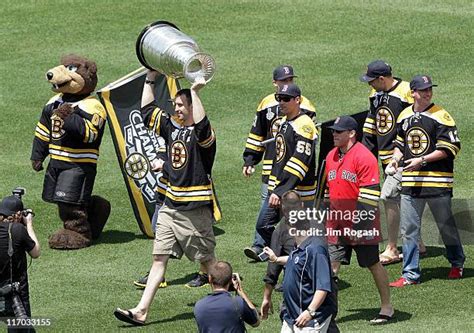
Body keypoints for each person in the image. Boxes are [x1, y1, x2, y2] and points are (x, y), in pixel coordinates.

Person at [114, 71, 221, 325]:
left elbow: (203, 126)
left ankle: (231, 299)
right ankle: (141, 311)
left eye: (181, 105)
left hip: (195, 210)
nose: (177, 109)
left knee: (209, 264)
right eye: (175, 105)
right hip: (170, 209)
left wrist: (195, 92)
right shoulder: (171, 127)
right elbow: (147, 111)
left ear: (193, 107)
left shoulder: (203, 135)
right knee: (158, 259)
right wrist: (150, 78)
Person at [388, 75, 465, 287]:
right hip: (411, 182)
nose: (428, 93)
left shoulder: (441, 116)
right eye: (423, 90)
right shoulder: (403, 116)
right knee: (409, 228)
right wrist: (395, 159)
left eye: (429, 89)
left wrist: (421, 160)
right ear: (413, 92)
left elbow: (450, 148)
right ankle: (410, 273)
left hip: (437, 182)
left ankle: (457, 262)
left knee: (445, 226)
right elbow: (399, 143)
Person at [324, 116, 394, 324]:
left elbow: (369, 197)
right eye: (333, 131)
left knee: (372, 264)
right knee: (331, 267)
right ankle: (329, 313)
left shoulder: (364, 157)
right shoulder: (330, 156)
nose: (334, 134)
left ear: (352, 133)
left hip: (362, 224)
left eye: (339, 131)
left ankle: (387, 307)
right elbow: (330, 190)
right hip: (337, 223)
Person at [243, 65, 316, 261]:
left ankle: (293, 262)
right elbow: (258, 135)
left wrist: (280, 190)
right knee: (266, 224)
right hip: (277, 181)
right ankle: (284, 256)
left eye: (286, 98)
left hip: (295, 188)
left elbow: (299, 162)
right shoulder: (283, 120)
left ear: (297, 100)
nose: (281, 102)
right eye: (280, 98)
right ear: (275, 84)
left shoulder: (304, 122)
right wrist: (250, 158)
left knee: (296, 229)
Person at [360, 59, 425, 264]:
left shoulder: (406, 92)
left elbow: (417, 125)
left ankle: (392, 248)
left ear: (381, 78)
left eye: (372, 81)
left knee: (390, 198)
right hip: (387, 159)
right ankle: (418, 242)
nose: (369, 84)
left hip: (404, 159)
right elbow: (372, 122)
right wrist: (365, 152)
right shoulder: (375, 93)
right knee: (404, 199)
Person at [262, 191, 338, 333]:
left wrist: (310, 310)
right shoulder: (314, 226)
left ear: (282, 209)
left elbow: (319, 273)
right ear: (302, 205)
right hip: (301, 303)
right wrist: (277, 259)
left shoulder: (311, 244)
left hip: (312, 302)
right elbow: (298, 259)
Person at [0, 193, 40, 332]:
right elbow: (35, 253)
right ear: (18, 214)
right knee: (21, 326)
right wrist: (28, 224)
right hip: (16, 288)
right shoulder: (17, 229)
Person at [194, 261, 260, 332]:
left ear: (210, 279)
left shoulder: (199, 306)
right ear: (230, 280)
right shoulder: (238, 303)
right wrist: (240, 291)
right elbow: (256, 322)